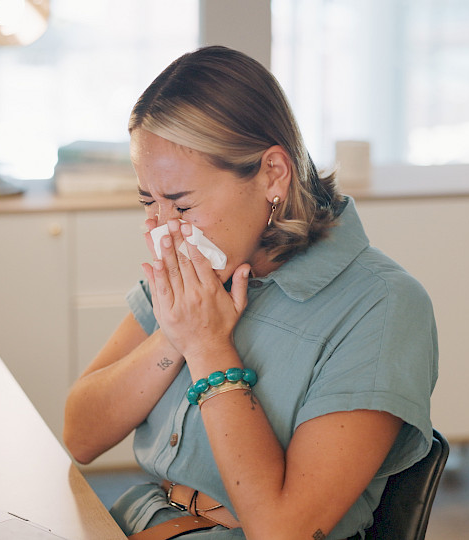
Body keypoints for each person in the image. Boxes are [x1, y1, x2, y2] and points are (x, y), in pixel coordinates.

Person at [63, 45, 438, 540]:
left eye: (180, 204)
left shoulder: (382, 306)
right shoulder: (197, 271)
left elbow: (283, 531)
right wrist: (175, 335)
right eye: (147, 201)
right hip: (143, 519)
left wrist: (208, 347)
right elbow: (80, 435)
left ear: (272, 175)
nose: (161, 229)